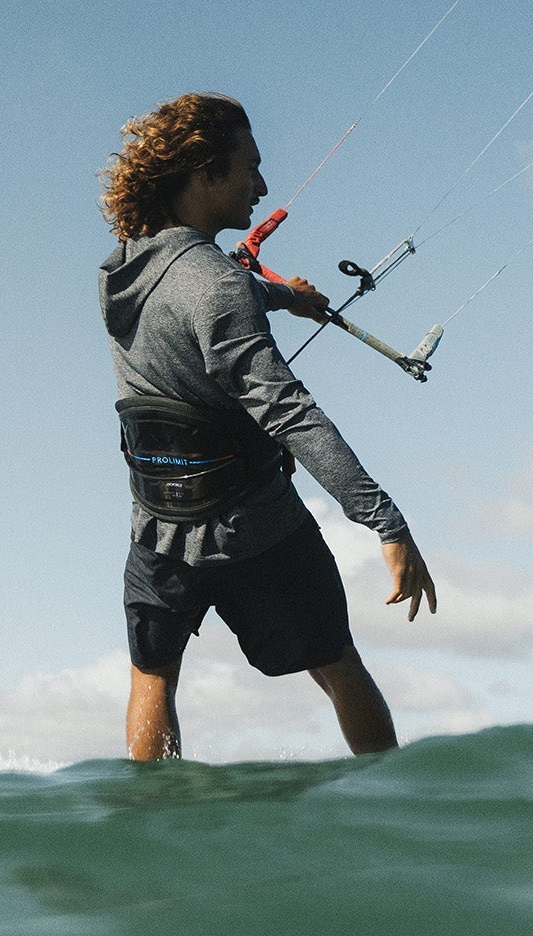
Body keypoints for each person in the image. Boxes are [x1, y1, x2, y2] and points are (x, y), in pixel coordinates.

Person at [98, 92, 438, 761]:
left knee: (151, 676)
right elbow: (289, 412)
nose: (262, 186)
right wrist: (385, 521)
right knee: (338, 665)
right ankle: (394, 808)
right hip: (254, 527)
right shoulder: (218, 285)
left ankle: (150, 827)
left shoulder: (122, 270)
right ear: (205, 172)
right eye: (249, 168)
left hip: (157, 527)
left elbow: (208, 291)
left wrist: (291, 299)